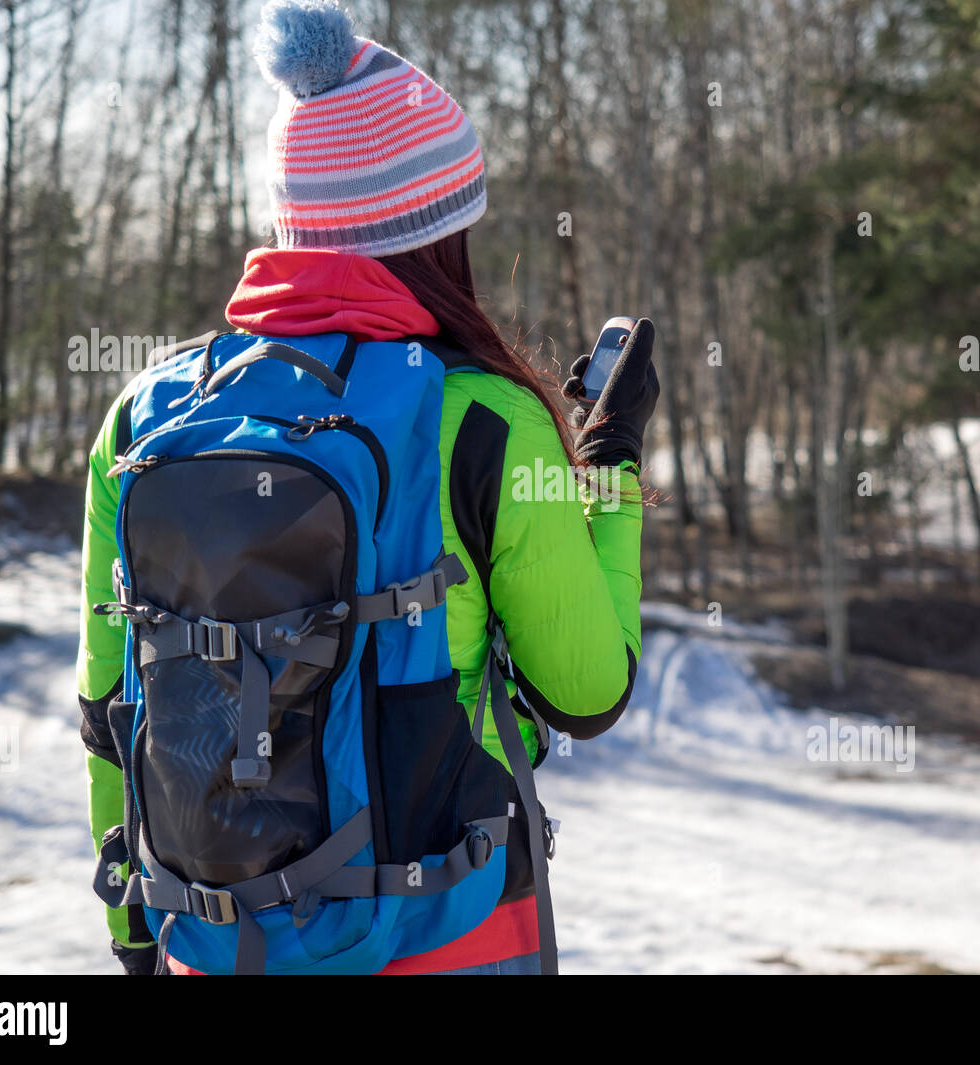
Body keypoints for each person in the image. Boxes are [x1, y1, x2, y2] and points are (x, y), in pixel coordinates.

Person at [77, 0, 657, 975]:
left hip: (215, 938)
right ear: (439, 236)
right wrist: (612, 469)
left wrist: (138, 934)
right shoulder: (482, 418)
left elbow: (111, 701)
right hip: (449, 931)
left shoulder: (146, 413)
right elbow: (589, 690)